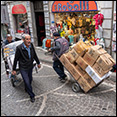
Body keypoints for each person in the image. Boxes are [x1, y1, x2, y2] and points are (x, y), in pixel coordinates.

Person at [12, 34, 41, 103]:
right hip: (23, 67)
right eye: (27, 39)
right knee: (27, 81)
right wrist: (14, 69)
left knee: (30, 79)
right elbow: (16, 59)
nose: (29, 41)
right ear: (23, 40)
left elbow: (34, 55)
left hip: (30, 66)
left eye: (29, 39)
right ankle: (32, 95)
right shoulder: (19, 48)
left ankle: (26, 88)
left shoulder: (31, 46)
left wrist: (38, 63)